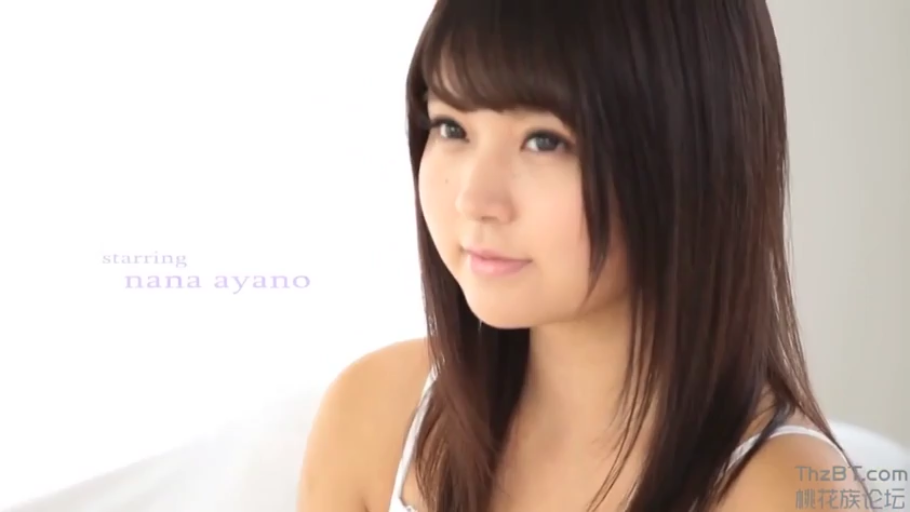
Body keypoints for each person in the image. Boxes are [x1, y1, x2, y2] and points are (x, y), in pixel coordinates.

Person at [298, 1, 867, 511]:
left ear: (687, 156)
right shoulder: (375, 415)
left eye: (545, 141)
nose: (475, 199)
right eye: (451, 127)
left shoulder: (783, 493)